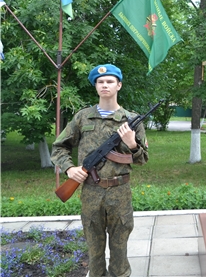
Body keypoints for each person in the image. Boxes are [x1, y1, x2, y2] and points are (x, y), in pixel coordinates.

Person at [51, 64, 148, 277]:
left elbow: (143, 159)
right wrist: (69, 169)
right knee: (94, 252)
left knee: (119, 251)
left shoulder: (131, 120)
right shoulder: (82, 117)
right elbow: (59, 147)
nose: (105, 85)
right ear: (96, 86)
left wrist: (132, 144)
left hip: (120, 194)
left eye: (110, 81)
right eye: (101, 82)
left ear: (119, 85)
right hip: (91, 192)